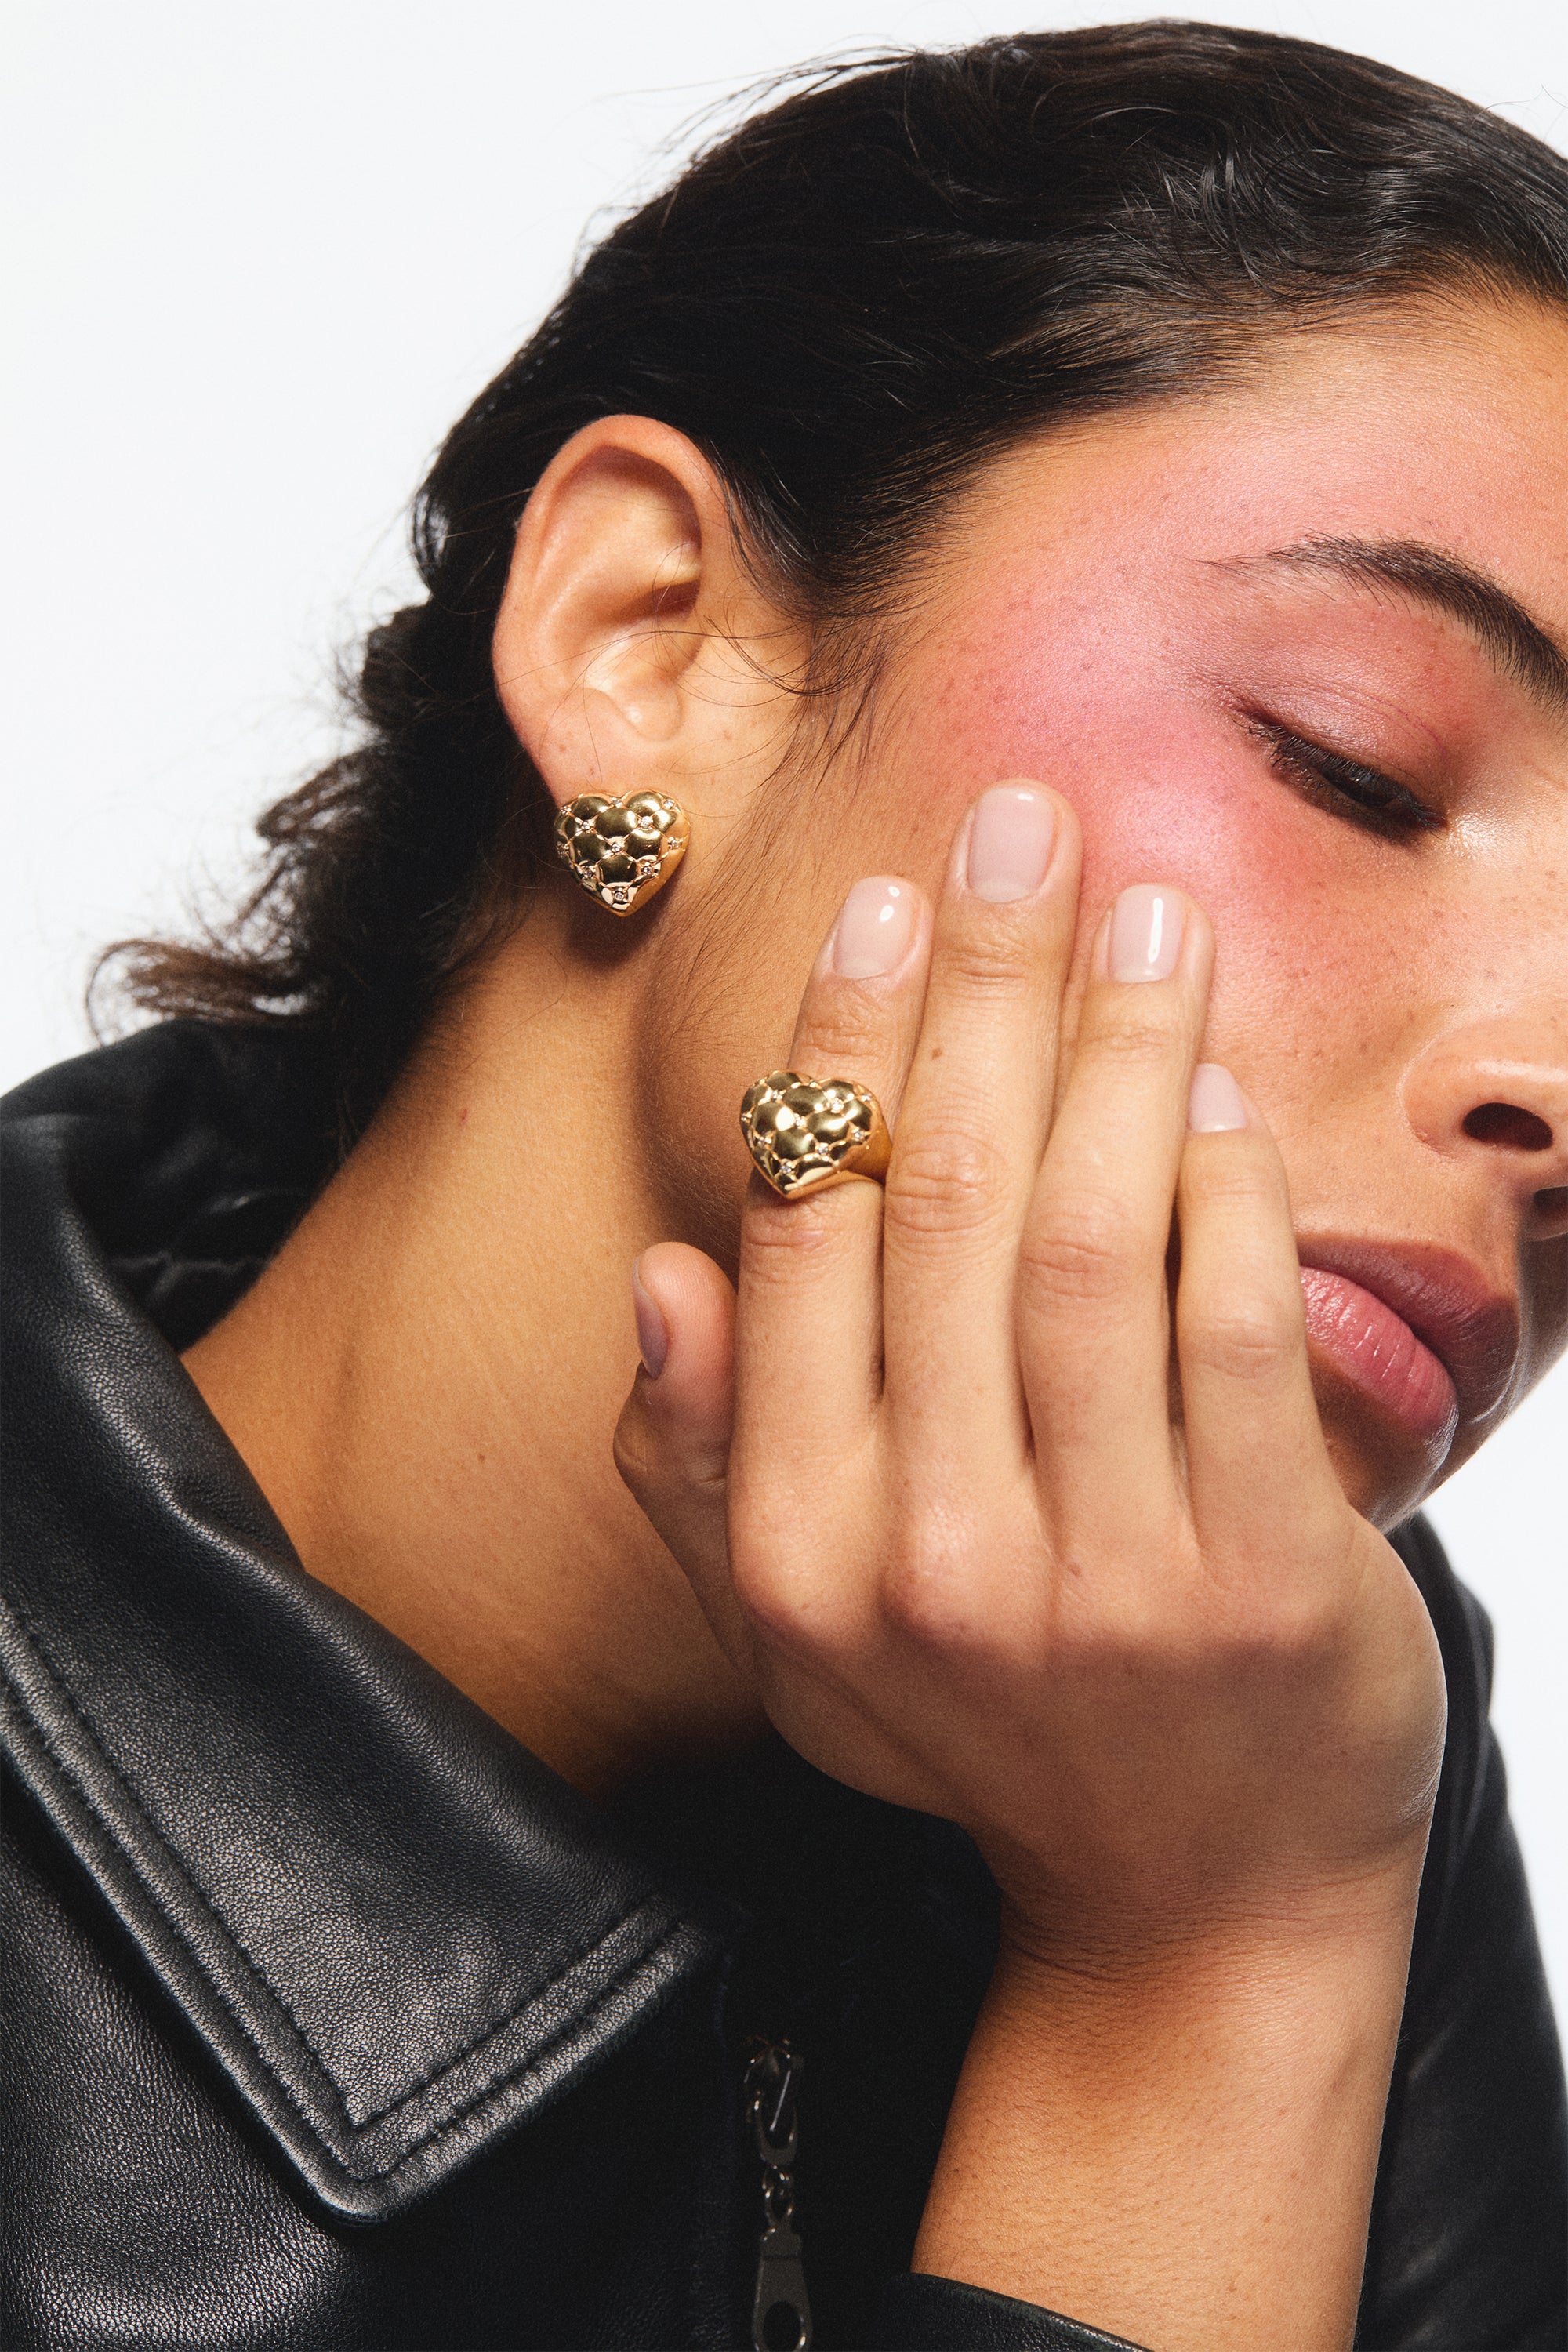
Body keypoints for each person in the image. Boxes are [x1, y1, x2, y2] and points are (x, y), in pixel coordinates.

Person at [3, 20, 1566, 2350]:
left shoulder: (1274, 1706)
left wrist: (1250, 1908)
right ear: (648, 652)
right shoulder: (1245, 1792)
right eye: (1355, 762)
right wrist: (1195, 1983)